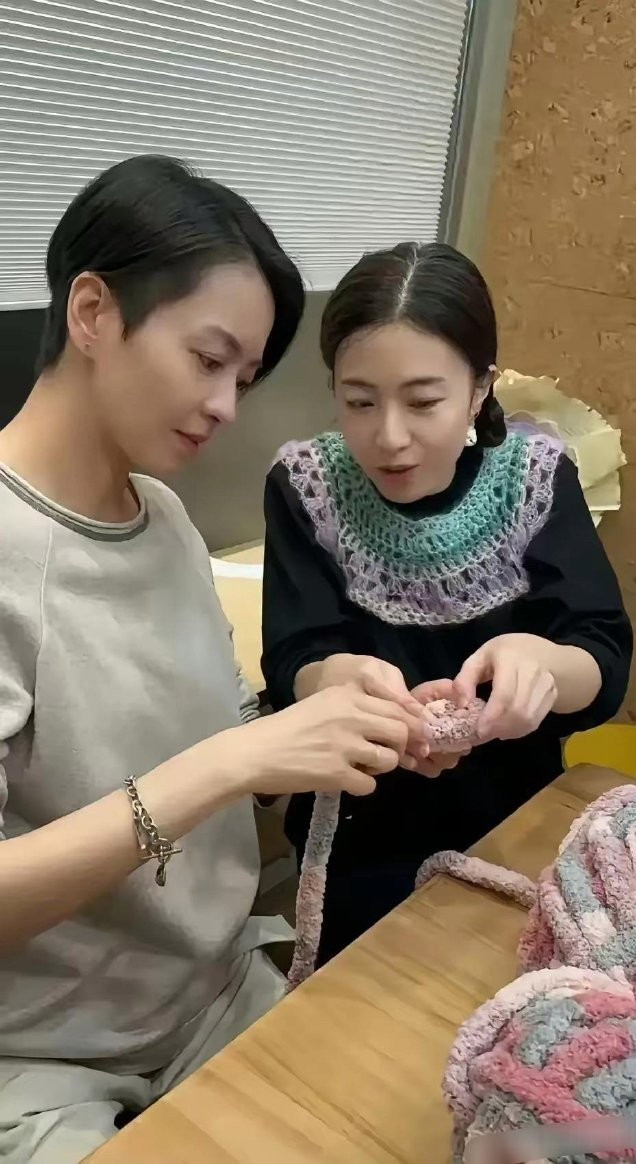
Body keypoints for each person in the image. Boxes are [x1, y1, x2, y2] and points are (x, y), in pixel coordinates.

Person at [0, 158, 428, 1163]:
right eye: (208, 359)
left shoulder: (163, 517)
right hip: (39, 1055)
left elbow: (215, 728)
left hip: (215, 992)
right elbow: (213, 764)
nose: (228, 405)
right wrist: (235, 761)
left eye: (244, 377)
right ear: (93, 312)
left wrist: (325, 722)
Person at [262, 242, 633, 965]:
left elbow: (603, 652)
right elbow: (294, 654)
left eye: (423, 401)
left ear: (479, 388)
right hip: (358, 826)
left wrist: (545, 667)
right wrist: (334, 680)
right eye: (359, 401)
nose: (389, 437)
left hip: (510, 822)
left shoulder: (532, 479)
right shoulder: (308, 487)